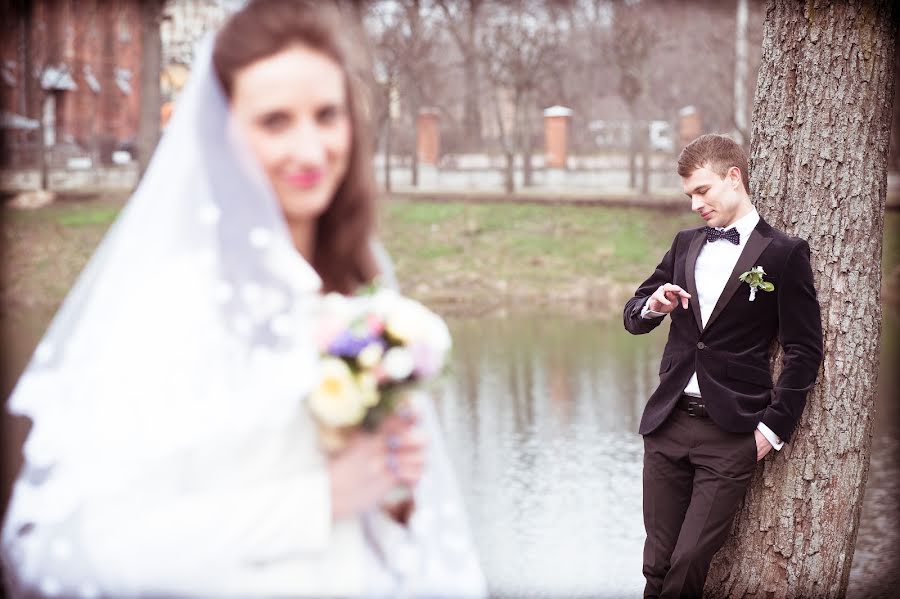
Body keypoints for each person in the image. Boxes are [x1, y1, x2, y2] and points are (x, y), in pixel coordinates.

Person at [0, 1, 485, 597]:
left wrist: (389, 487)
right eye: (274, 121)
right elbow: (89, 546)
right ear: (222, 132)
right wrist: (320, 500)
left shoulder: (354, 281)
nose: (309, 151)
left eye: (327, 115)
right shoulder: (173, 303)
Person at [623, 134, 823, 598]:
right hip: (667, 423)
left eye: (702, 190)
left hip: (731, 432)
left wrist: (771, 432)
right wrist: (653, 303)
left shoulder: (783, 254)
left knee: (690, 561)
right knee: (656, 563)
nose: (695, 204)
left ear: (734, 177)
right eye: (689, 195)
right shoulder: (685, 244)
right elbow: (634, 316)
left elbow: (804, 349)